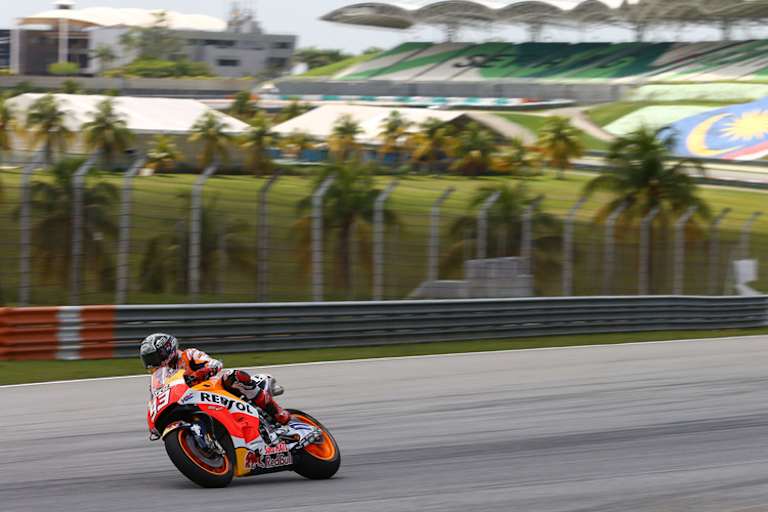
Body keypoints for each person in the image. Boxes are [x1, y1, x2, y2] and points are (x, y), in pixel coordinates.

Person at [140, 333, 290, 425]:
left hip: (212, 388)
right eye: (148, 360)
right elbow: (156, 397)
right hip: (189, 400)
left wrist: (199, 374)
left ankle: (277, 412)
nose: (152, 363)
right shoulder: (160, 376)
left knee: (233, 376)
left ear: (166, 350)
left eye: (153, 357)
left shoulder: (189, 354)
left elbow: (215, 364)